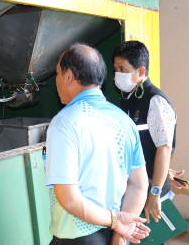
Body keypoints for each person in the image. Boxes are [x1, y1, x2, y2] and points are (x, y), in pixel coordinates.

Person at [45, 43, 150, 245]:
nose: (56, 81)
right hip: (114, 236)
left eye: (57, 74)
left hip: (77, 238)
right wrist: (119, 233)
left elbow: (69, 199)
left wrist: (115, 222)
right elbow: (138, 184)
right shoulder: (124, 121)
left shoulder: (64, 122)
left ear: (68, 77)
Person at [112, 41, 177, 229]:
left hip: (149, 192)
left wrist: (155, 193)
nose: (118, 74)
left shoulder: (155, 101)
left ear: (140, 71)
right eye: (115, 68)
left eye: (123, 69)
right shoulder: (128, 98)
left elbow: (163, 149)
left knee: (152, 239)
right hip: (133, 189)